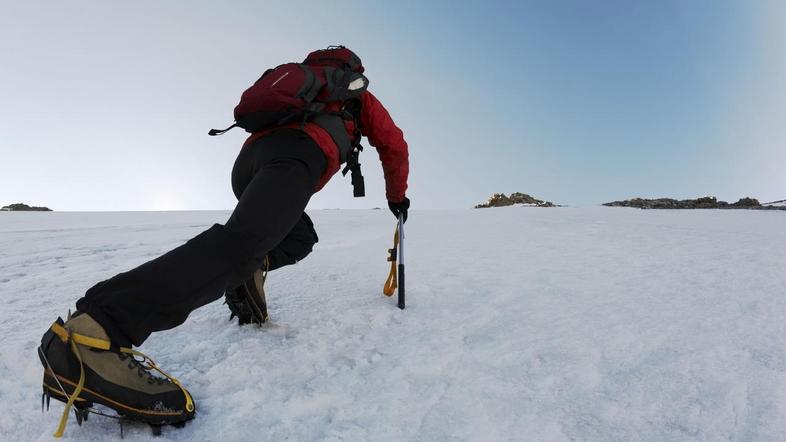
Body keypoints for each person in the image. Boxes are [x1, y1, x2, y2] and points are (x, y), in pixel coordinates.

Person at [37, 46, 409, 436]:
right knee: (243, 244)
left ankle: (252, 272)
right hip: (299, 156)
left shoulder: (302, 79)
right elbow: (393, 145)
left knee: (298, 235)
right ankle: (96, 330)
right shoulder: (355, 94)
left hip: (249, 165)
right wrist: (397, 197)